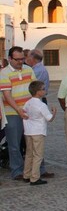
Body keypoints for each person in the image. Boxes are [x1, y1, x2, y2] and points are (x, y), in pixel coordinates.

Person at [0, 46, 54, 180]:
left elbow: (34, 88)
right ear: (10, 58)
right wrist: (18, 110)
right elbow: (7, 95)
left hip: (30, 112)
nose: (20, 62)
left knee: (35, 141)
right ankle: (17, 171)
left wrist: (36, 106)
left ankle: (39, 170)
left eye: (22, 59)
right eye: (17, 59)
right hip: (12, 112)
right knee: (14, 143)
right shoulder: (4, 73)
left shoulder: (29, 69)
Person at [22, 81, 56, 185]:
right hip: (38, 131)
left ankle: (26, 175)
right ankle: (35, 177)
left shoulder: (28, 102)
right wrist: (54, 112)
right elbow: (49, 119)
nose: (45, 91)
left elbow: (23, 113)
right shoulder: (41, 105)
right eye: (43, 89)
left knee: (29, 154)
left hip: (28, 131)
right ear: (38, 92)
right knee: (38, 155)